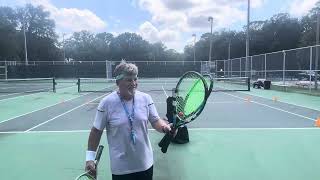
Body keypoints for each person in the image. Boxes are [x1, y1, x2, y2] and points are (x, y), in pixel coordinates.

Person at [84, 60, 174, 180]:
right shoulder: (106, 103)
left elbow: (155, 120)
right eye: (128, 80)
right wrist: (89, 159)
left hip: (145, 165)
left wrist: (165, 127)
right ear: (118, 82)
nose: (133, 83)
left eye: (135, 79)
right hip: (121, 169)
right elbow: (96, 131)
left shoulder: (146, 98)